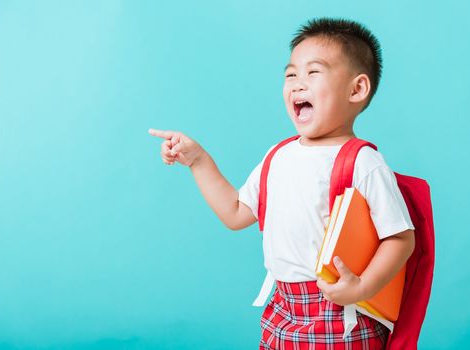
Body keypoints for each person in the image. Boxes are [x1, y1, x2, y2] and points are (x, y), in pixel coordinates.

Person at [149, 17, 415, 350]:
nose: (297, 83)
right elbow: (235, 214)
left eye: (313, 72)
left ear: (356, 89)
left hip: (340, 312)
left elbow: (401, 238)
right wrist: (199, 161)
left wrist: (362, 287)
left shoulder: (363, 162)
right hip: (283, 306)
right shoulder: (279, 155)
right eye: (291, 74)